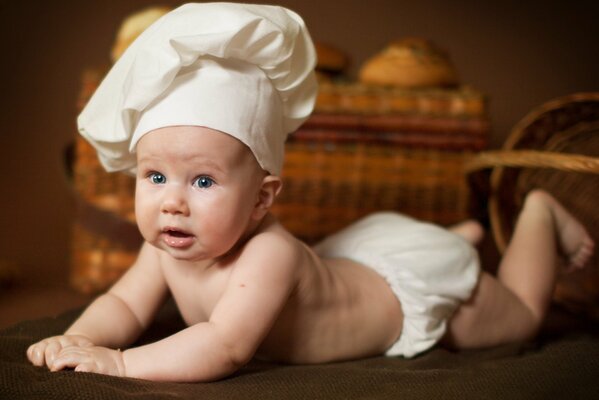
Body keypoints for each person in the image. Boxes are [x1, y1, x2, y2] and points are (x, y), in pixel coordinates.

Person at [27, 3, 594, 382]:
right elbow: (123, 305)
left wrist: (121, 366)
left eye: (203, 181)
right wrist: (76, 341)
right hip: (350, 261)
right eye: (154, 177)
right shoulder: (165, 245)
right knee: (380, 257)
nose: (172, 201)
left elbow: (223, 344)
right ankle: (460, 234)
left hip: (399, 296)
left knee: (518, 319)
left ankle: (540, 216)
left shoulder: (268, 254)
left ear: (261, 200)